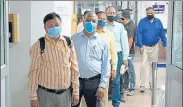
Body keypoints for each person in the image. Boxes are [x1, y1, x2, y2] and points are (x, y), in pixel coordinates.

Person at [28, 12, 79, 107]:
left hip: (65, 94)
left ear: (61, 25)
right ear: (45, 28)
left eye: (56, 25)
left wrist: (76, 91)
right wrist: (33, 97)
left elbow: (74, 69)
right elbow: (33, 72)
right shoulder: (39, 45)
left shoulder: (68, 43)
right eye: (50, 26)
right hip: (45, 94)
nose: (54, 28)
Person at [71, 11, 109, 107]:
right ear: (83, 21)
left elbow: (105, 65)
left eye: (93, 21)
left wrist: (102, 85)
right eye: (88, 20)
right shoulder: (73, 40)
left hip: (94, 82)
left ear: (97, 23)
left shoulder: (102, 42)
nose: (91, 23)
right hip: (76, 81)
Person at [136, 7, 167, 93]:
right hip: (144, 47)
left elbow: (162, 33)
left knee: (153, 65)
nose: (149, 15)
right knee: (143, 65)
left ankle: (151, 83)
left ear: (153, 13)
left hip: (154, 47)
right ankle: (142, 85)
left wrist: (165, 44)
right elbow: (139, 34)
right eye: (148, 14)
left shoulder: (158, 22)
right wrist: (140, 45)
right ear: (146, 14)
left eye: (151, 13)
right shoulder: (142, 22)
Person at [105, 6, 129, 107]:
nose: (111, 14)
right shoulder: (102, 26)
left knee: (116, 80)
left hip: (118, 56)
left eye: (113, 13)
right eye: (109, 13)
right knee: (104, 80)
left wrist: (125, 58)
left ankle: (116, 103)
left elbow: (125, 43)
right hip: (105, 56)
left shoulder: (120, 26)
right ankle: (103, 102)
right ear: (106, 14)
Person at [96, 11, 118, 107]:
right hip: (91, 69)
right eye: (99, 18)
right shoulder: (89, 33)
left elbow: (113, 52)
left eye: (104, 19)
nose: (102, 20)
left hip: (105, 68)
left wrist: (114, 68)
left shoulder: (110, 34)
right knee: (87, 97)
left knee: (103, 96)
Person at [120, 10, 136, 96]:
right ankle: (125, 86)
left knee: (130, 70)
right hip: (125, 52)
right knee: (125, 70)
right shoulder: (124, 25)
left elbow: (130, 40)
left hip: (129, 52)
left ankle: (132, 88)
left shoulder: (130, 26)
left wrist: (126, 53)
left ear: (124, 17)